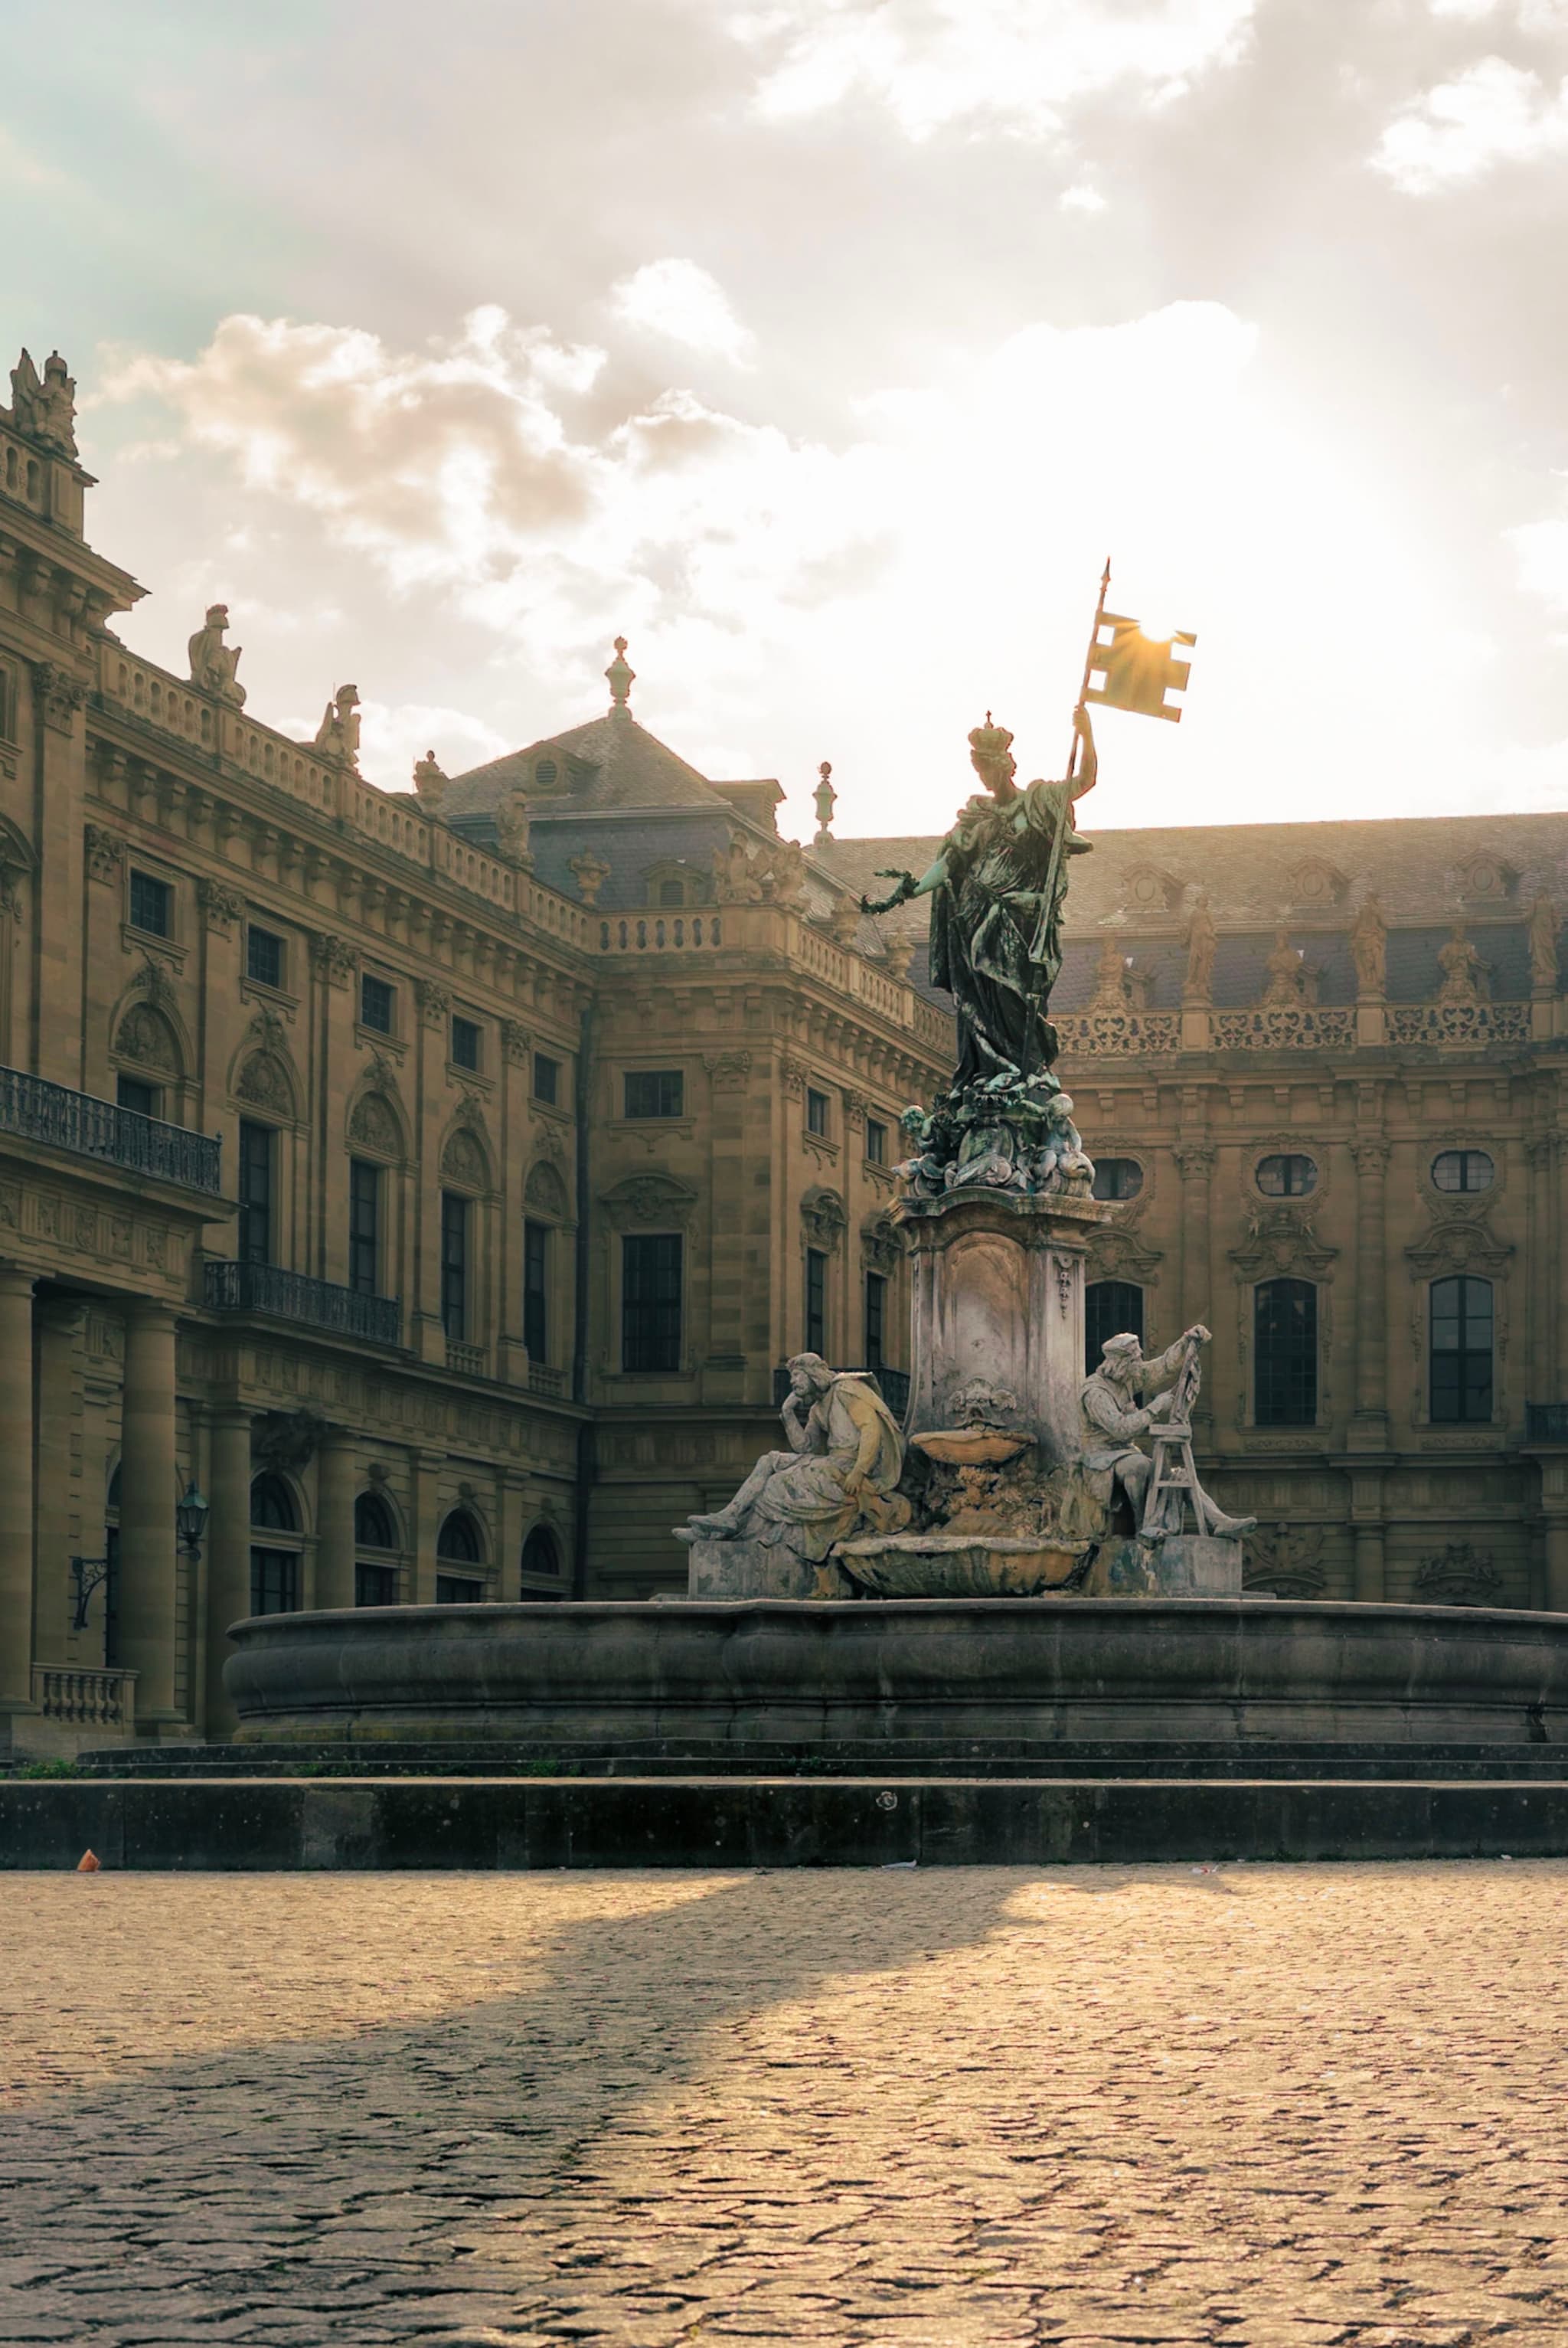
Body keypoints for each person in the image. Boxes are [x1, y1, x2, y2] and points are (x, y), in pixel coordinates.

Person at [862, 706, 1096, 1093]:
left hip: (1017, 919)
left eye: (990, 767)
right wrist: (908, 892)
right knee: (977, 1001)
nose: (986, 777)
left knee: (1013, 997)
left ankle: (1018, 1070)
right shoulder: (976, 815)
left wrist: (1086, 733)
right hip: (972, 914)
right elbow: (949, 864)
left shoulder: (1038, 801)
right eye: (980, 771)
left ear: (1007, 764)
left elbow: (1085, 779)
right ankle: (989, 1070)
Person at [675, 1352, 908, 1561]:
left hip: (851, 1468)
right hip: (834, 1463)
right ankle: (729, 1517)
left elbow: (871, 1429)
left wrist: (859, 1471)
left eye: (797, 1376)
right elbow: (805, 1448)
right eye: (792, 1378)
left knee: (776, 1485)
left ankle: (730, 1531)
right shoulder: (818, 1407)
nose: (793, 1382)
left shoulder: (846, 1390)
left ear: (812, 1374)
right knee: (768, 1460)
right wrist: (788, 1414)